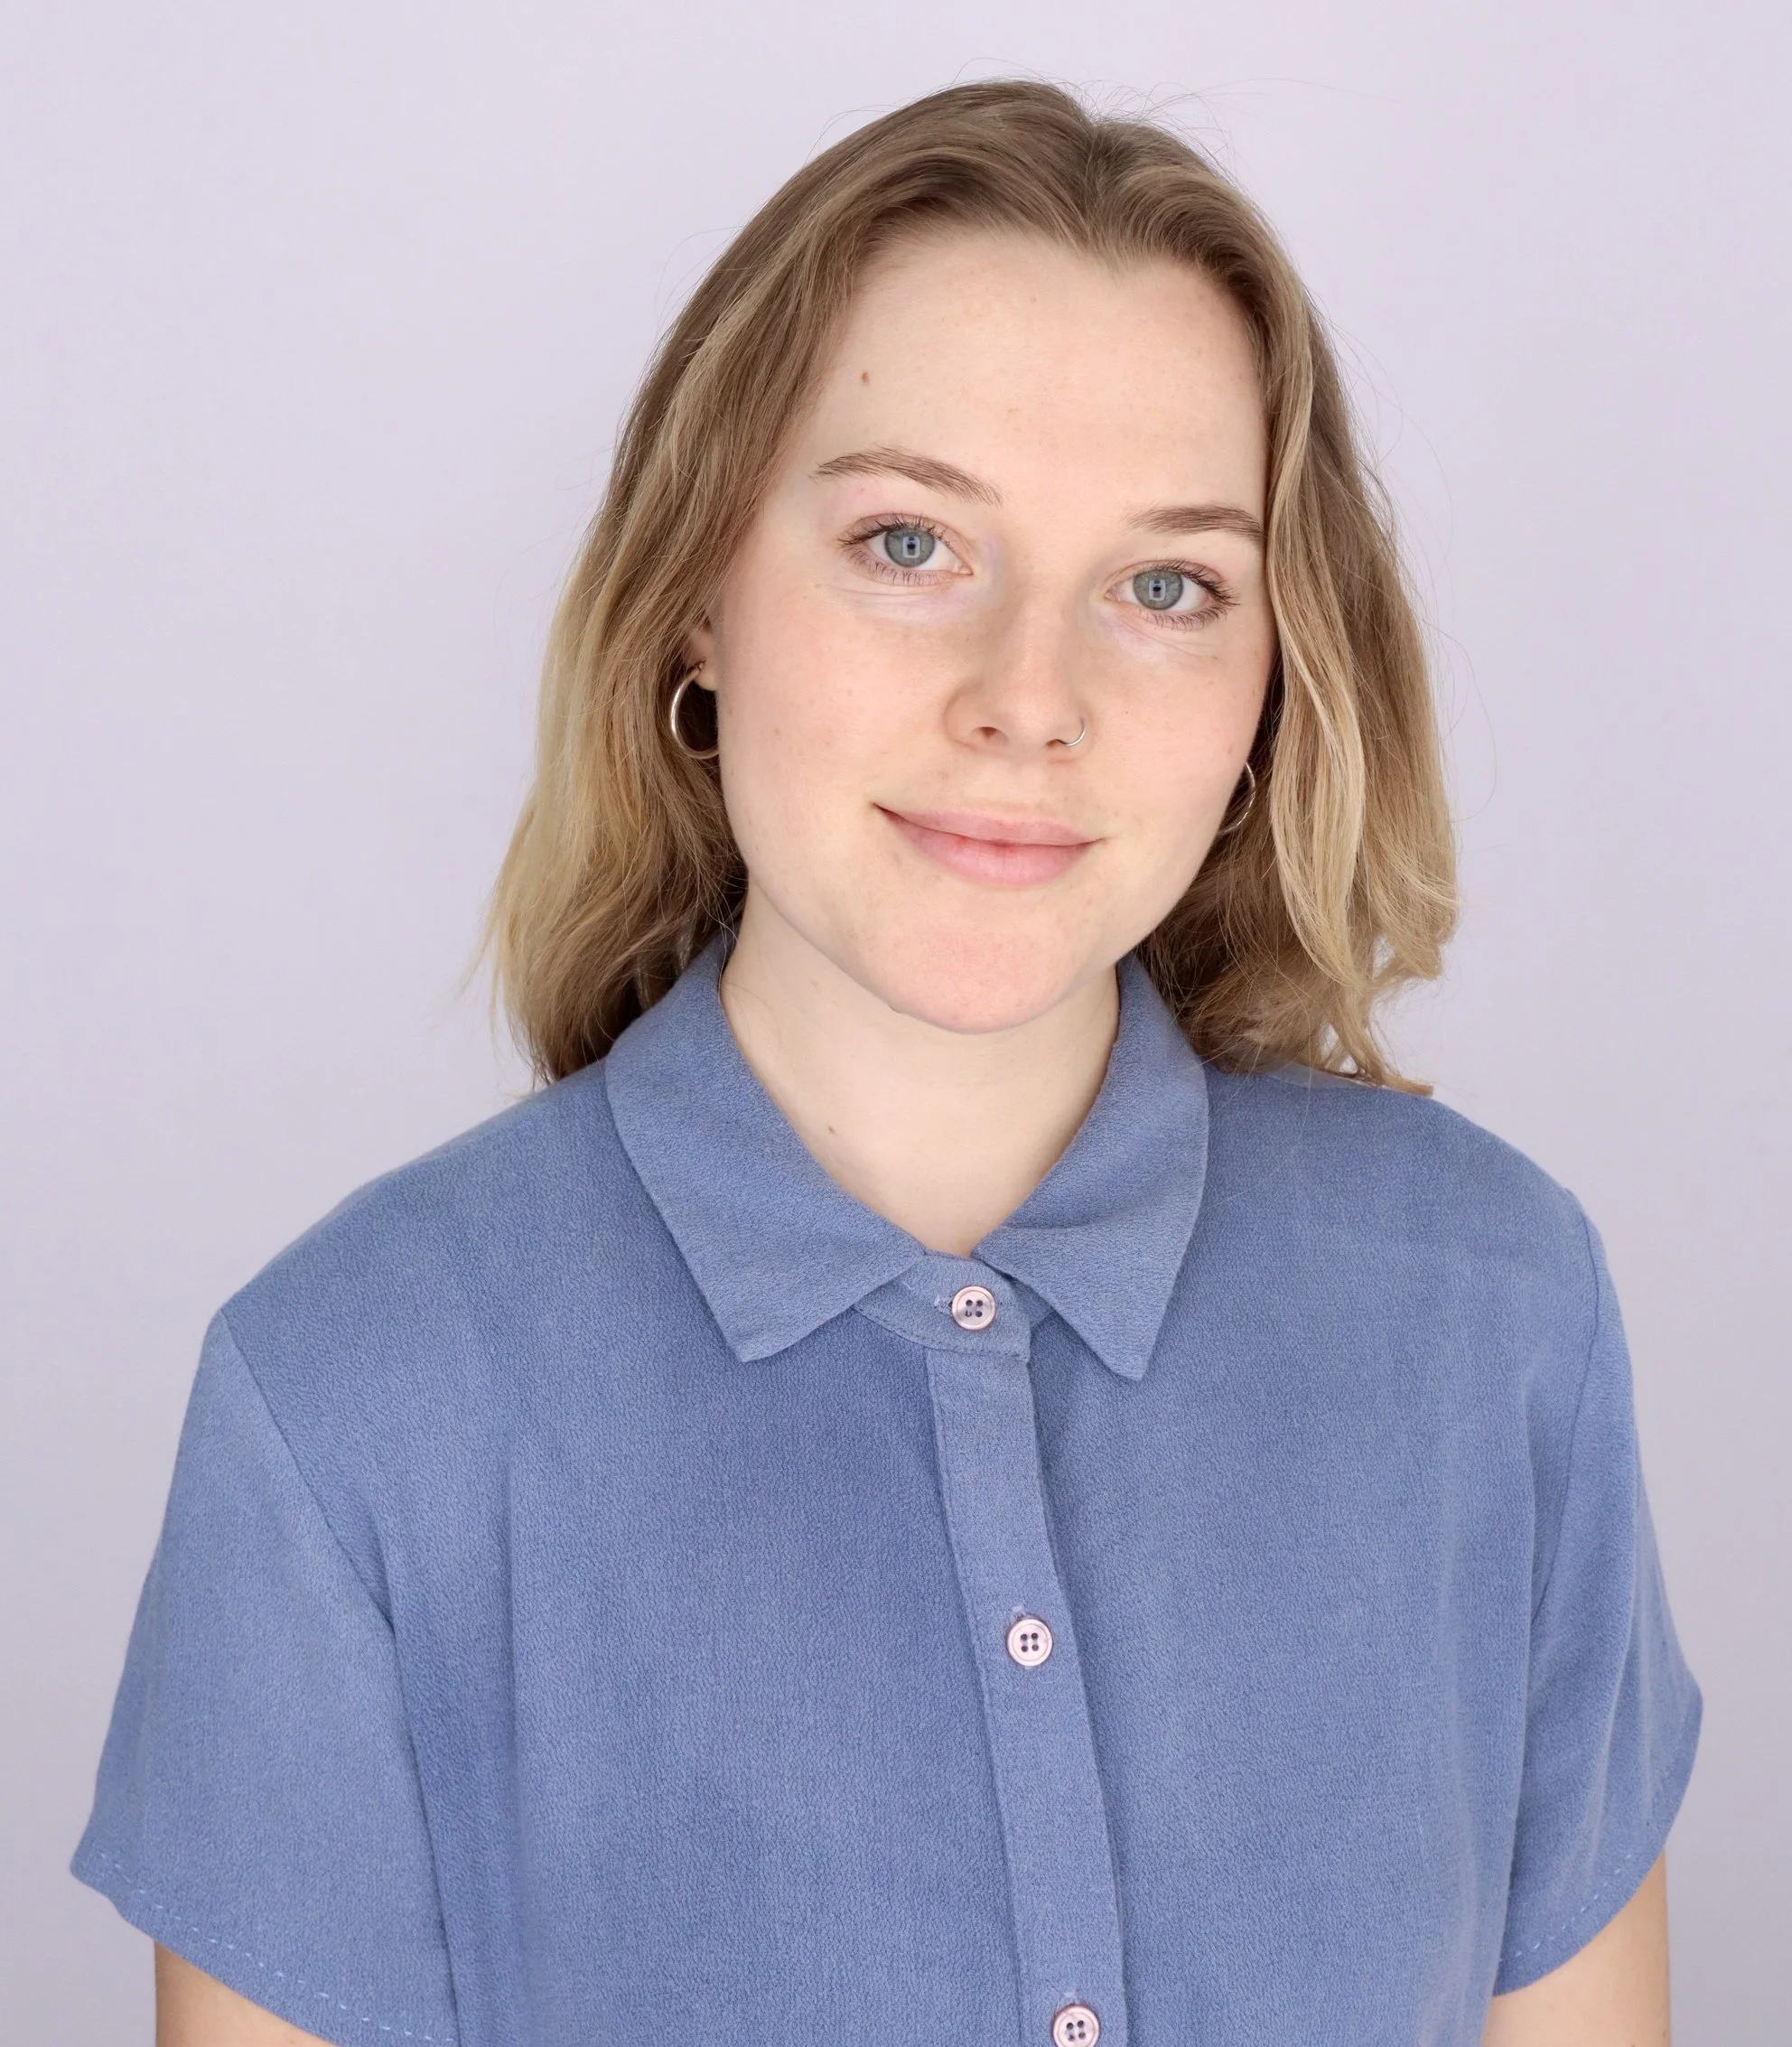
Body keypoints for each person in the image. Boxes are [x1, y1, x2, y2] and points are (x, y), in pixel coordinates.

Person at [73, 79, 1700, 2047]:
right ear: (696, 599)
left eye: (1164, 583)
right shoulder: (348, 1401)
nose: (1030, 697)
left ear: (1273, 681)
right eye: (909, 540)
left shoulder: (1494, 1318)